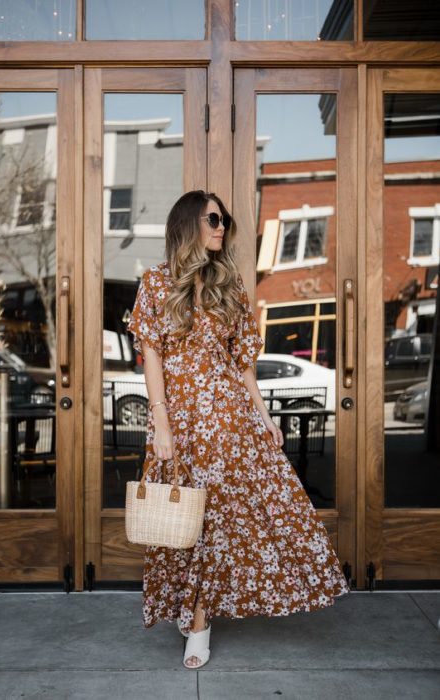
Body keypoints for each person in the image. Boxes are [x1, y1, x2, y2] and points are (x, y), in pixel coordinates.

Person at [126, 190, 350, 670]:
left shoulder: (230, 285)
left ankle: (201, 621)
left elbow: (243, 364)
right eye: (213, 218)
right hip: (181, 421)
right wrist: (160, 421)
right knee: (183, 522)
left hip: (229, 420)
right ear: (189, 223)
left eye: (224, 218)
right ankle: (192, 606)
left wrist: (264, 416)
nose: (221, 225)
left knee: (221, 522)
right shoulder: (156, 283)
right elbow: (154, 358)